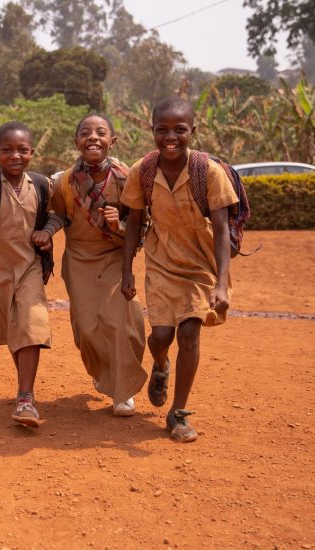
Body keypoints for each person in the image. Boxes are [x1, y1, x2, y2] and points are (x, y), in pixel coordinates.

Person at [120, 96, 238, 443]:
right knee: (160, 337)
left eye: (180, 130)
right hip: (160, 260)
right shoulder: (142, 170)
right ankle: (160, 365)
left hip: (200, 262)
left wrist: (221, 282)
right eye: (162, 129)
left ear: (193, 131)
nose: (170, 137)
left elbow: (220, 230)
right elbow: (133, 224)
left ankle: (179, 412)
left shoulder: (209, 172)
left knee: (188, 333)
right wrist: (127, 270)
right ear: (152, 130)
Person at [40, 114, 147, 416]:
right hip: (78, 259)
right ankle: (104, 373)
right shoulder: (63, 182)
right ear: (76, 142)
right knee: (86, 328)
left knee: (123, 322)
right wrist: (47, 232)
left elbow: (141, 225)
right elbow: (58, 214)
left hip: (115, 255)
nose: (93, 137)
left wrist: (121, 225)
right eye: (86, 133)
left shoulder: (128, 179)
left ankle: (122, 389)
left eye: (101, 132)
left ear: (113, 141)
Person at [0, 122, 55, 428]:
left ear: (32, 152)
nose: (15, 156)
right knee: (14, 333)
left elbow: (55, 215)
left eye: (22, 150)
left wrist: (47, 233)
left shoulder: (42, 185)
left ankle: (25, 397)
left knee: (31, 325)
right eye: (7, 150)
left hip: (30, 266)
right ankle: (25, 392)